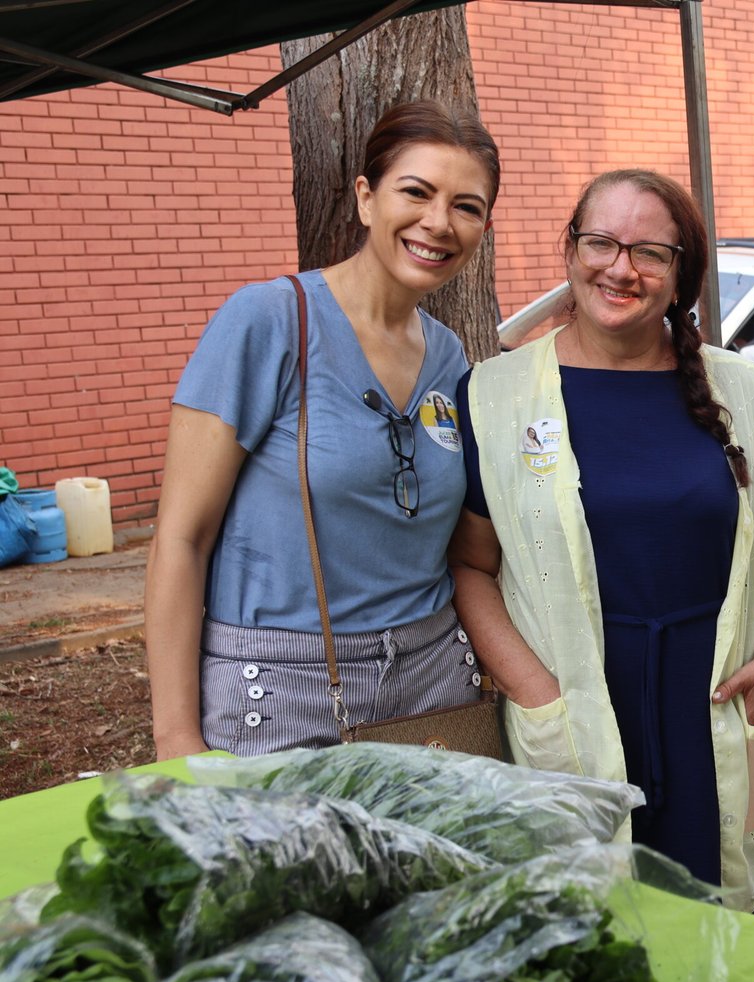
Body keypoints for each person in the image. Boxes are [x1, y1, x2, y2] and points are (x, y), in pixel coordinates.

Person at [448, 169, 754, 917]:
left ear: (680, 273)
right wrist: (535, 690)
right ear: (570, 250)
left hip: (717, 707)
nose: (621, 268)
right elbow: (471, 564)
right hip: (581, 710)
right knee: (599, 944)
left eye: (650, 251)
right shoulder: (496, 396)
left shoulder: (739, 390)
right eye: (601, 242)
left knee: (742, 947)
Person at [146, 101, 499, 760]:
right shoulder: (269, 323)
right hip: (285, 689)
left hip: (434, 684)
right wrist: (176, 738)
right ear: (367, 199)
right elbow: (180, 538)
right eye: (415, 192)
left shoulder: (451, 357)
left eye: (467, 206)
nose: (438, 222)